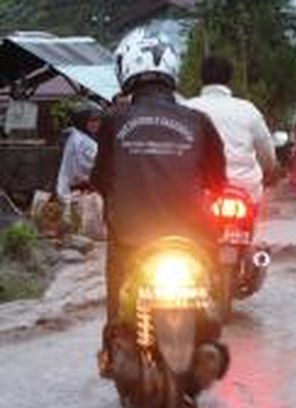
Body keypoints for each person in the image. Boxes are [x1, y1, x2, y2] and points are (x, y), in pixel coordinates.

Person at [91, 30, 226, 373]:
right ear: (173, 70)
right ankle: (210, 335)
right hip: (194, 236)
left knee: (117, 274)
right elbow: (218, 180)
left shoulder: (112, 120)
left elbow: (101, 177)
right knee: (209, 277)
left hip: (133, 237)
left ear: (125, 71)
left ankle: (113, 343)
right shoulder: (199, 121)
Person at [185, 55, 276, 205]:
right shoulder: (248, 110)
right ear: (229, 79)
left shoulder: (186, 109)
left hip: (202, 193)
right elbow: (267, 156)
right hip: (246, 190)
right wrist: (267, 170)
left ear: (201, 78)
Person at [56, 102, 102, 202]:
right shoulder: (82, 142)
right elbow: (94, 165)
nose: (96, 124)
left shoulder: (79, 136)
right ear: (82, 121)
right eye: (92, 121)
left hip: (77, 189)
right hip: (78, 192)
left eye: (98, 120)